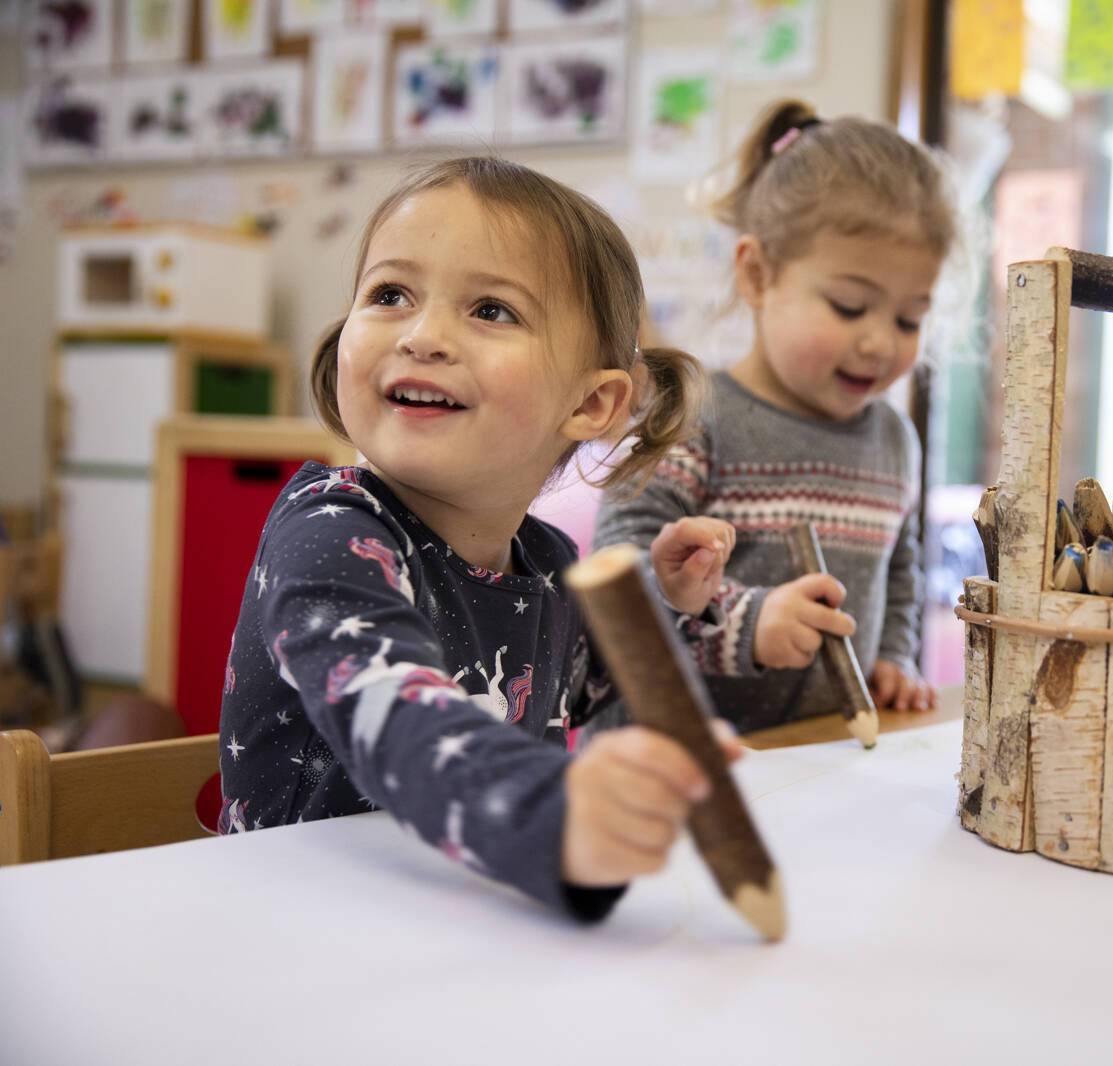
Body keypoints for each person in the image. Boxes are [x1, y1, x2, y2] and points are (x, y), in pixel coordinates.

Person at [217, 157, 741, 921]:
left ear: (593, 402)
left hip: (457, 918)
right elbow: (398, 720)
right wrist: (559, 816)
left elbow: (585, 686)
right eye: (390, 294)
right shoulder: (330, 533)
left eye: (491, 310)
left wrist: (664, 608)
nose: (423, 336)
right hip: (296, 929)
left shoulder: (550, 561)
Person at [592, 99, 959, 733]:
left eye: (908, 319)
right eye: (849, 306)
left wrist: (894, 657)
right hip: (675, 768)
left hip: (813, 760)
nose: (879, 341)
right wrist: (747, 623)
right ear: (758, 275)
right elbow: (619, 573)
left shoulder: (895, 439)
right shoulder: (694, 417)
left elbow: (901, 570)